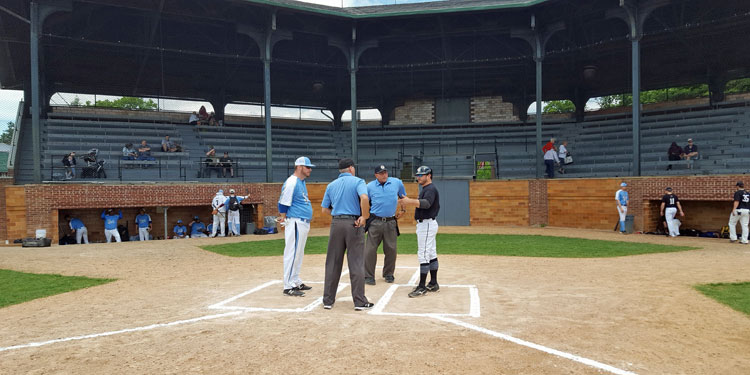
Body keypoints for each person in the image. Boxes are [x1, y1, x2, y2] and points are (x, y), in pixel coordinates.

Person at [321, 158, 373, 311]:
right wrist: (364, 216)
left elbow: (324, 210)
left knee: (332, 262)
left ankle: (328, 300)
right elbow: (364, 197)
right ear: (351, 168)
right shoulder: (358, 181)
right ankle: (359, 301)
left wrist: (338, 216)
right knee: (356, 262)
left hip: (336, 224)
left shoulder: (331, 185)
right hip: (353, 224)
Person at [399, 166, 441, 298]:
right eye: (418, 175)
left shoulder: (430, 189)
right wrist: (408, 200)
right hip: (427, 224)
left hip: (427, 224)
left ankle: (422, 286)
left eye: (421, 175)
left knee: (423, 254)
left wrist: (409, 201)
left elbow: (426, 203)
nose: (418, 177)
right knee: (431, 252)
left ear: (429, 175)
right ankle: (433, 283)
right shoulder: (426, 189)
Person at [277, 156, 315, 296]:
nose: (310, 169)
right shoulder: (292, 181)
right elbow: (282, 203)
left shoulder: (301, 182)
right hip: (295, 221)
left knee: (298, 253)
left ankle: (295, 279)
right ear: (299, 167)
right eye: (307, 167)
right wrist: (283, 218)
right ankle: (288, 286)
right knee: (292, 253)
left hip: (302, 221)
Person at [364, 164, 406, 285]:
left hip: (391, 222)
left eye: (385, 172)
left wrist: (403, 210)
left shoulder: (396, 182)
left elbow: (403, 196)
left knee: (391, 249)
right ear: (376, 175)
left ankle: (388, 273)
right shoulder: (369, 186)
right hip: (375, 222)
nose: (384, 175)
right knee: (370, 250)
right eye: (381, 173)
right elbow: (364, 201)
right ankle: (368, 275)